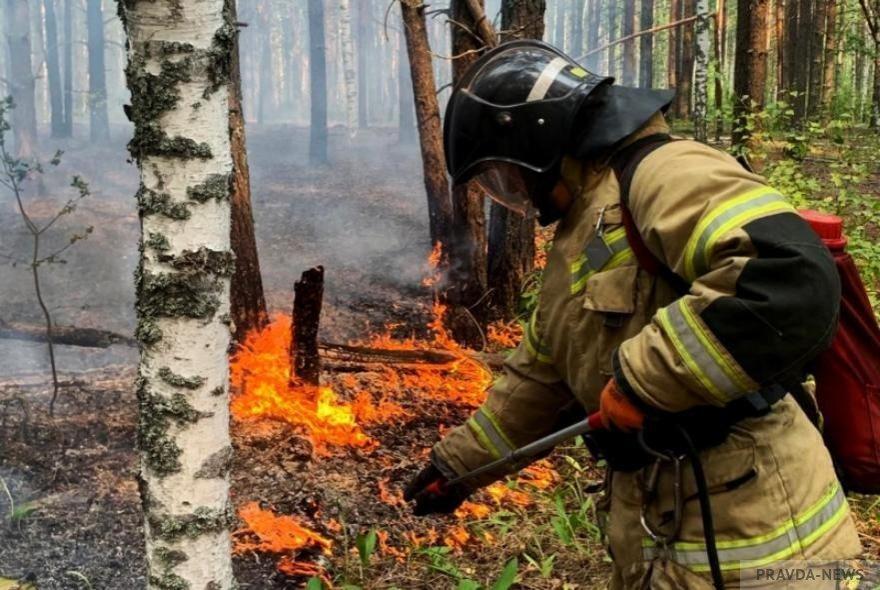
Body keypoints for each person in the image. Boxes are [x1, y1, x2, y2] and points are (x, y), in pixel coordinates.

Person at [404, 40, 862, 589]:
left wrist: (642, 382)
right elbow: (541, 376)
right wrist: (459, 467)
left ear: (540, 140)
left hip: (764, 537)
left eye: (507, 175)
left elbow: (785, 278)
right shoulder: (588, 224)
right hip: (673, 526)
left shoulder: (668, 172)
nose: (515, 192)